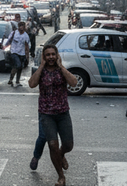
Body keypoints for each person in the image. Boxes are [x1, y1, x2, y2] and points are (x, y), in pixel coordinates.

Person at [29, 44, 77, 186]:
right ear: (44, 57)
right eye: (47, 55)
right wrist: (41, 66)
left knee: (68, 145)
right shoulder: (41, 71)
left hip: (62, 112)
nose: (50, 57)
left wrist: (61, 67)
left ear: (57, 56)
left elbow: (74, 83)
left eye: (52, 54)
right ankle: (61, 177)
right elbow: (31, 84)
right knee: (52, 145)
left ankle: (61, 155)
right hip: (46, 114)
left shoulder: (61, 70)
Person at [5, 21, 30, 87]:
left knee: (20, 67)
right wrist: (4, 47)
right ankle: (11, 79)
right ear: (18, 27)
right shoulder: (14, 33)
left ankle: (17, 81)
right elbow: (9, 41)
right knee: (18, 65)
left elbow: (27, 45)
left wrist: (27, 55)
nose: (21, 27)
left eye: (23, 26)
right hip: (14, 52)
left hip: (22, 53)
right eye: (20, 26)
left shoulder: (25, 35)